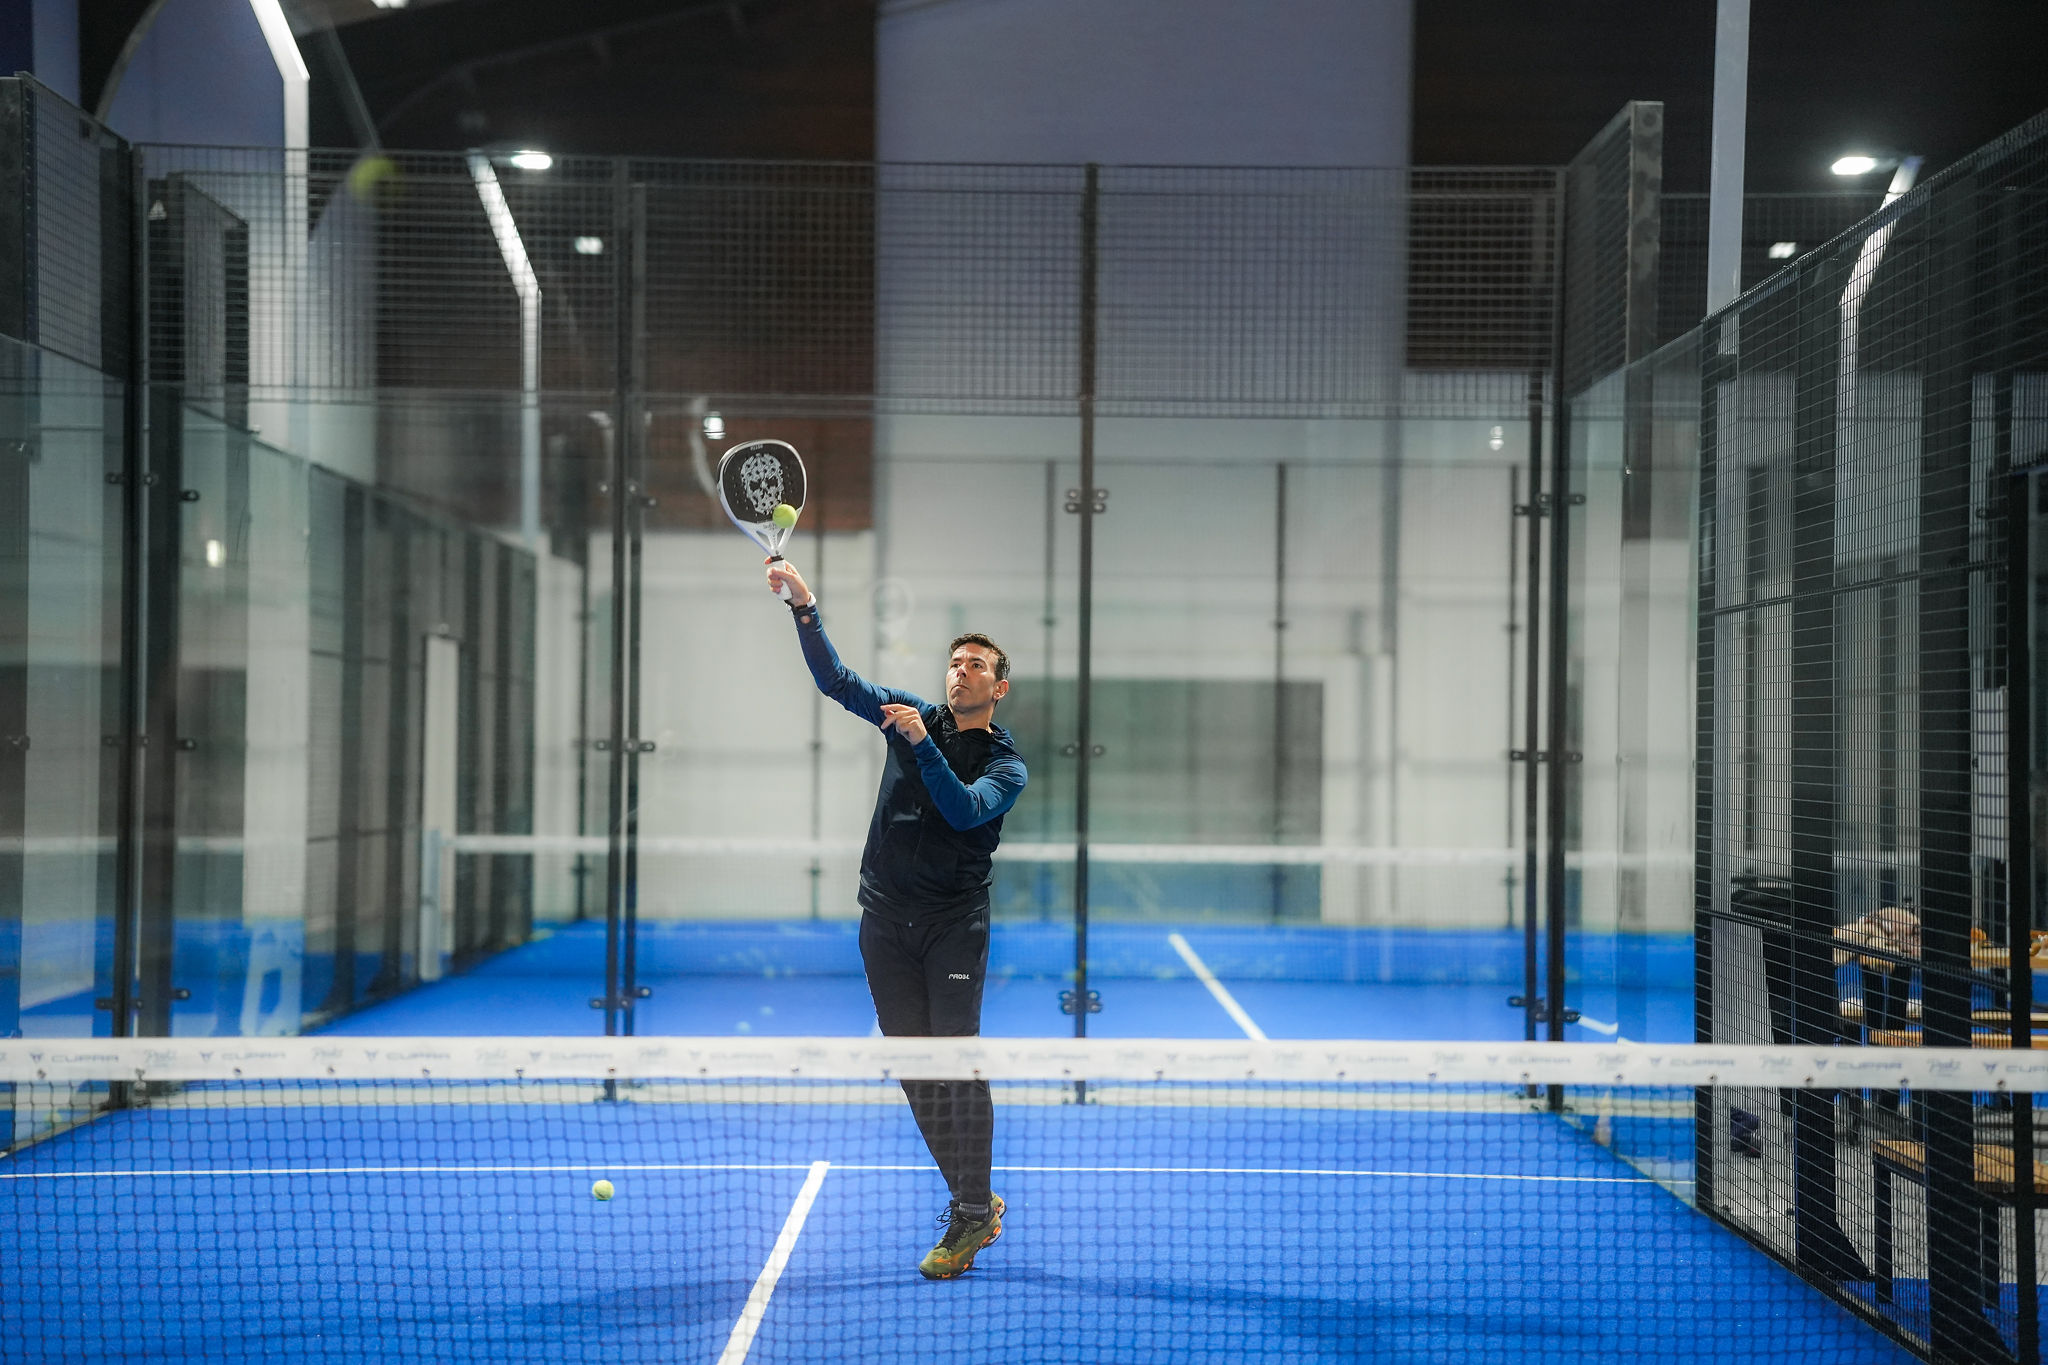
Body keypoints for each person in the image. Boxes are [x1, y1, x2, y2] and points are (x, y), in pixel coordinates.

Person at [765, 556, 1027, 1280]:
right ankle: (973, 1199)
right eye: (954, 661)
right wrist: (804, 607)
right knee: (915, 1067)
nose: (960, 671)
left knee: (957, 1059)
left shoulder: (1006, 765)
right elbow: (837, 681)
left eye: (975, 665)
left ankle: (971, 1214)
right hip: (882, 920)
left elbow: (961, 808)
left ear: (998, 687)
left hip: (952, 925)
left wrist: (919, 743)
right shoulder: (910, 711)